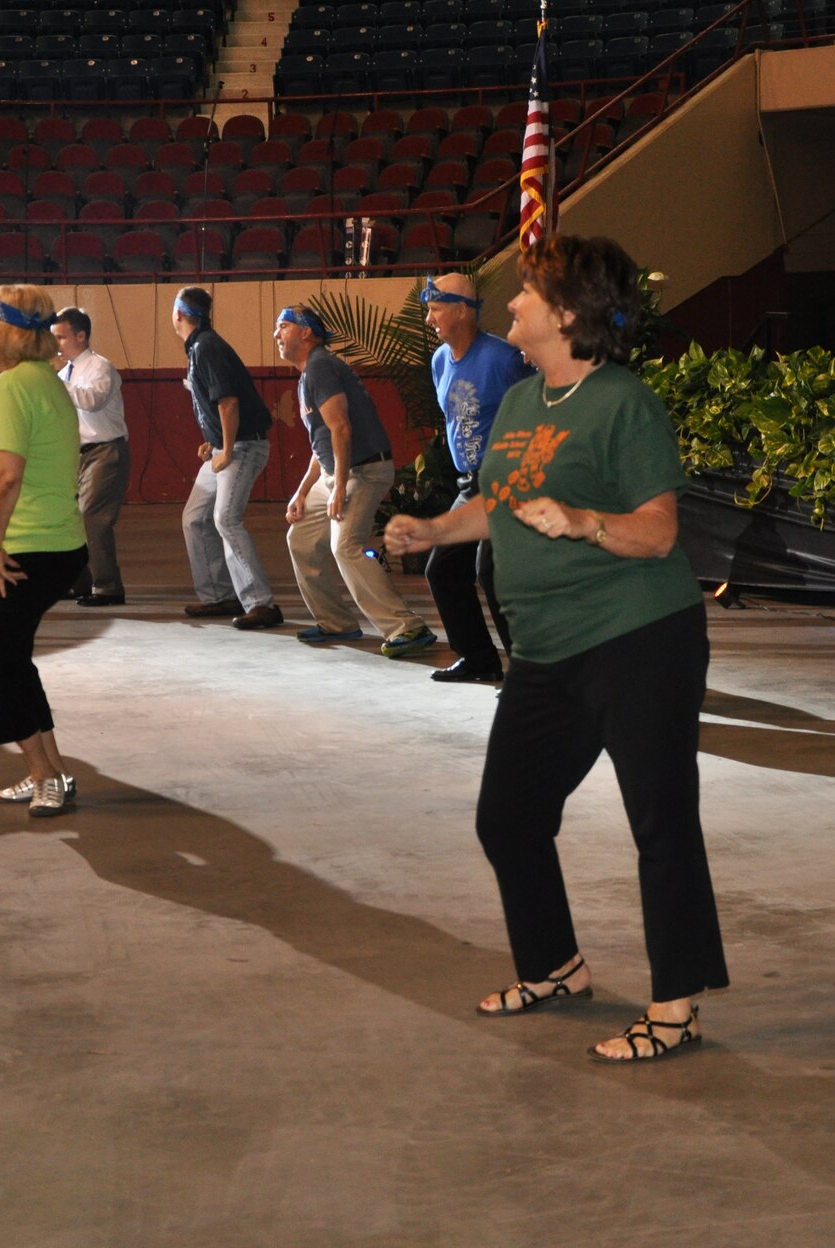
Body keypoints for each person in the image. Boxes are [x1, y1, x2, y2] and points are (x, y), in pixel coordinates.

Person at [384, 235, 728, 1064]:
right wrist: (433, 528)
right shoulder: (522, 400)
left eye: (526, 295)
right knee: (509, 817)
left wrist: (583, 522)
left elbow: (658, 531)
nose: (510, 307)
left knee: (661, 823)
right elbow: (494, 504)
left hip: (638, 640)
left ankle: (675, 1006)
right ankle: (555, 966)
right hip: (545, 650)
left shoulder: (624, 403)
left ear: (567, 314)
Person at [0, 286, 88, 818]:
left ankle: (43, 774)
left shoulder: (11, 386)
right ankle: (53, 770)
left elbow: (8, 477)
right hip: (57, 545)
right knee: (11, 659)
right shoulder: (48, 382)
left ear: (5, 330)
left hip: (26, 550)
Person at [276, 304, 436, 657]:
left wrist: (341, 486)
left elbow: (342, 429)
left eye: (283, 326)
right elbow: (323, 444)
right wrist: (303, 492)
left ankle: (407, 627)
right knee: (300, 537)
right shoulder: (308, 375)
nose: (277, 334)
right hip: (338, 472)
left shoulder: (321, 367)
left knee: (345, 546)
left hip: (363, 470)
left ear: (306, 332)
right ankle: (337, 622)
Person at [422, 272, 532, 683]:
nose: (429, 319)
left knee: (494, 574)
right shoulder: (438, 362)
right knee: (443, 570)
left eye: (435, 310)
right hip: (472, 483)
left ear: (462, 311)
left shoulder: (503, 359)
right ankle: (479, 660)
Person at [171, 287, 282, 630]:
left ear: (177, 315)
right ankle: (220, 595)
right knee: (194, 517)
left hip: (243, 446)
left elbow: (228, 403)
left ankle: (261, 603)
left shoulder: (207, 348)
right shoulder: (200, 347)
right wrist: (213, 444)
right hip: (223, 446)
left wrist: (228, 449)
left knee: (226, 519)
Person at [51, 306, 128, 607]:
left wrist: (57, 384)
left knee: (92, 516)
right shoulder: (63, 374)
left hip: (105, 451)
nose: (56, 344)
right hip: (76, 454)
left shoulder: (100, 367)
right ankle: (79, 582)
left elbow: (92, 401)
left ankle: (108, 587)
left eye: (61, 337)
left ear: (81, 336)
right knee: (70, 518)